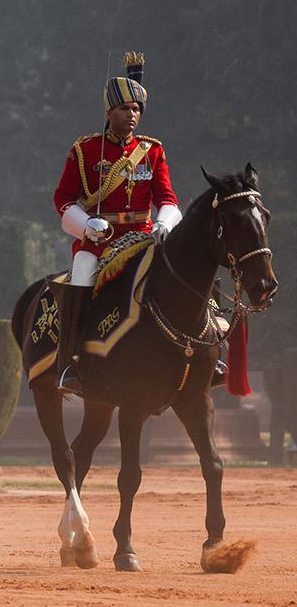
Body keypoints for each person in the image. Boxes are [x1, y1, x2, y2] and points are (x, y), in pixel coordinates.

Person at [51, 51, 179, 394]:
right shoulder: (85, 151)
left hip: (144, 237)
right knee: (82, 271)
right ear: (109, 112)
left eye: (136, 109)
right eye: (124, 108)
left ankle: (203, 349)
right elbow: (63, 198)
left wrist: (164, 223)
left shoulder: (152, 151)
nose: (132, 115)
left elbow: (167, 198)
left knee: (185, 268)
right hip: (100, 241)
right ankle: (70, 363)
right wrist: (86, 225)